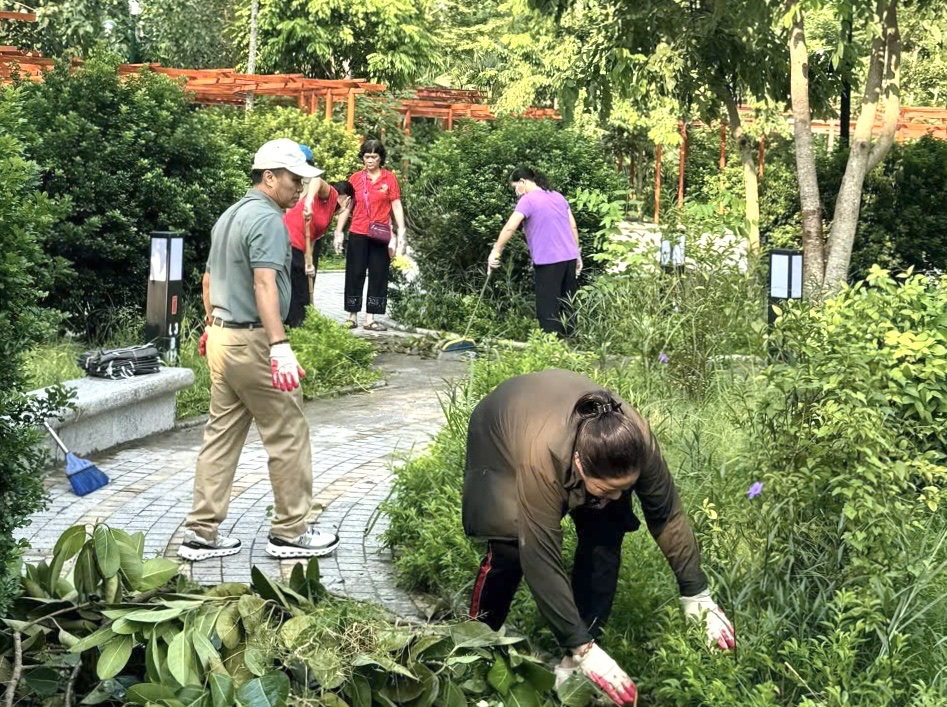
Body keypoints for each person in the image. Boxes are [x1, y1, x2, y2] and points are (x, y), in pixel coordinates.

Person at [463, 369, 735, 706]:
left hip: (568, 428)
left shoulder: (637, 442)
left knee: (606, 534)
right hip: (503, 427)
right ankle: (474, 641)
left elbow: (667, 514)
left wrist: (697, 593)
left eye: (626, 488)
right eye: (608, 489)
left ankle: (572, 663)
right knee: (509, 548)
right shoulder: (540, 459)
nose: (619, 497)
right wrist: (582, 647)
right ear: (578, 465)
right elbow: (540, 558)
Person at [180, 138, 340, 562]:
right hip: (253, 341)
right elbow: (264, 284)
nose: (297, 188)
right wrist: (280, 346)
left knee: (220, 436)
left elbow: (209, 281)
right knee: (287, 432)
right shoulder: (268, 220)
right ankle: (290, 532)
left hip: (221, 339)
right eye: (293, 179)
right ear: (269, 177)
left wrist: (212, 322)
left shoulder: (229, 216)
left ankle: (200, 533)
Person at [487, 167, 583, 337]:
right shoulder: (558, 196)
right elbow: (573, 226)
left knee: (548, 309)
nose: (516, 192)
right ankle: (572, 345)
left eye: (515, 186)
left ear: (523, 182)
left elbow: (510, 227)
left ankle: (552, 351)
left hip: (549, 261)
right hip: (569, 258)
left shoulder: (527, 200)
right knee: (567, 305)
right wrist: (578, 254)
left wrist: (496, 250)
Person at [333, 139, 406, 331]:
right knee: (355, 273)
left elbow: (396, 205)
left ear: (381, 158)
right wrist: (338, 231)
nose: (370, 160)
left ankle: (370, 318)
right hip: (358, 231)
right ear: (362, 158)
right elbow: (347, 206)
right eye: (367, 156)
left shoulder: (389, 179)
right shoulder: (355, 178)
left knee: (378, 274)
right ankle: (352, 316)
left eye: (374, 156)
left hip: (380, 234)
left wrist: (402, 229)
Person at [282, 145, 355, 328]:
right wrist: (308, 202)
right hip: (287, 240)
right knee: (298, 294)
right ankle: (294, 331)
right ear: (348, 201)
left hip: (300, 248)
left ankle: (298, 330)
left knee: (303, 293)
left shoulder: (329, 216)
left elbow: (313, 240)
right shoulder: (331, 196)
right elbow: (317, 181)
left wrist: (310, 264)